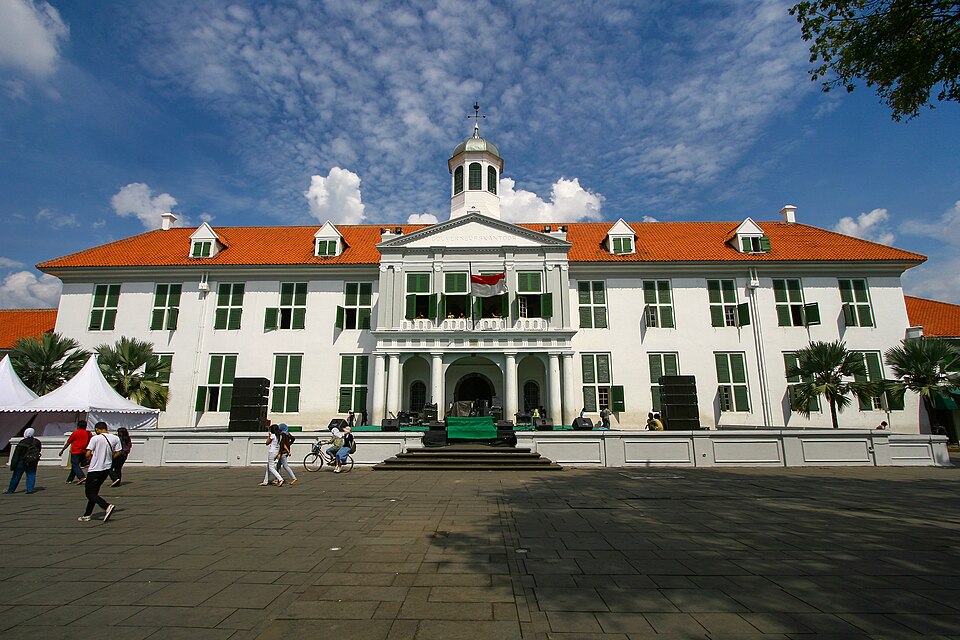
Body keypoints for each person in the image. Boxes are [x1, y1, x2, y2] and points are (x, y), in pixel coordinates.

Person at [78, 422, 120, 522]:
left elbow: (88, 453)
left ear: (97, 429)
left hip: (95, 469)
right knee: (94, 492)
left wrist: (89, 459)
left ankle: (106, 506)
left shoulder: (95, 438)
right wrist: (109, 459)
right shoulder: (115, 438)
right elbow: (118, 452)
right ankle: (87, 514)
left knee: (89, 493)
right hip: (106, 469)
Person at [5, 427, 41, 494]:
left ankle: (11, 490)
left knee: (16, 476)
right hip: (32, 461)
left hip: (22, 461)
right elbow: (38, 451)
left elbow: (16, 455)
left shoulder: (22, 442)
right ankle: (30, 489)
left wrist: (13, 465)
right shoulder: (37, 442)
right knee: (31, 475)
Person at [60, 420, 90, 485]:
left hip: (76, 451)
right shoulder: (88, 433)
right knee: (75, 466)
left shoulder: (76, 433)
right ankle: (69, 479)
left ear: (78, 426)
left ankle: (81, 477)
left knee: (75, 465)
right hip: (84, 451)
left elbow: (68, 442)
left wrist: (62, 450)